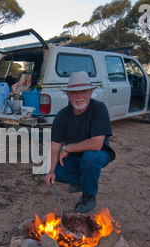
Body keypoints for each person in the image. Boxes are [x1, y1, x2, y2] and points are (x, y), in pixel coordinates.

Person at [44, 71, 115, 214]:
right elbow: (55, 145)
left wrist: (68, 148)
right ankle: (84, 178)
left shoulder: (99, 109)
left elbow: (96, 144)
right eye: (74, 93)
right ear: (68, 95)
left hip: (99, 153)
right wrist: (50, 170)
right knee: (56, 172)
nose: (79, 97)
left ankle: (89, 197)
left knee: (89, 157)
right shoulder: (62, 115)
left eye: (84, 92)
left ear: (90, 93)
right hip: (75, 156)